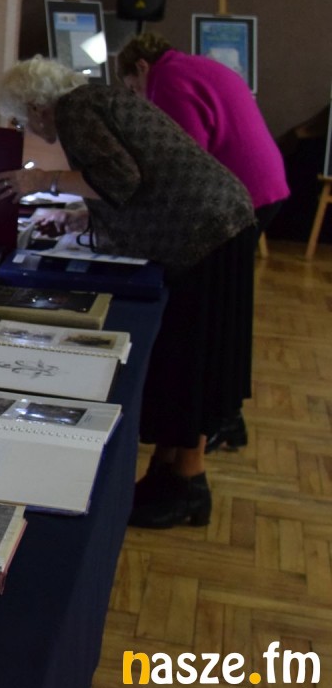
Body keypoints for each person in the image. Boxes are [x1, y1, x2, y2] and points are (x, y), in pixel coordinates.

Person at [0, 55, 256, 529]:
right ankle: (168, 474)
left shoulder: (75, 110)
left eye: (22, 119)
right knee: (184, 356)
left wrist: (41, 180)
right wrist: (78, 216)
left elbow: (121, 178)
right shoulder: (95, 98)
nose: (28, 128)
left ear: (36, 107)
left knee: (192, 359)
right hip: (215, 224)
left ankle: (188, 485)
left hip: (205, 232)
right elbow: (131, 175)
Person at [116, 31, 288, 451]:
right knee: (230, 309)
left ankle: (214, 418)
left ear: (141, 67)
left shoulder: (168, 80)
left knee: (216, 311)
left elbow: (184, 158)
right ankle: (226, 415)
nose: (139, 98)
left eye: (133, 88)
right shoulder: (193, 66)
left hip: (240, 198)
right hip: (263, 187)